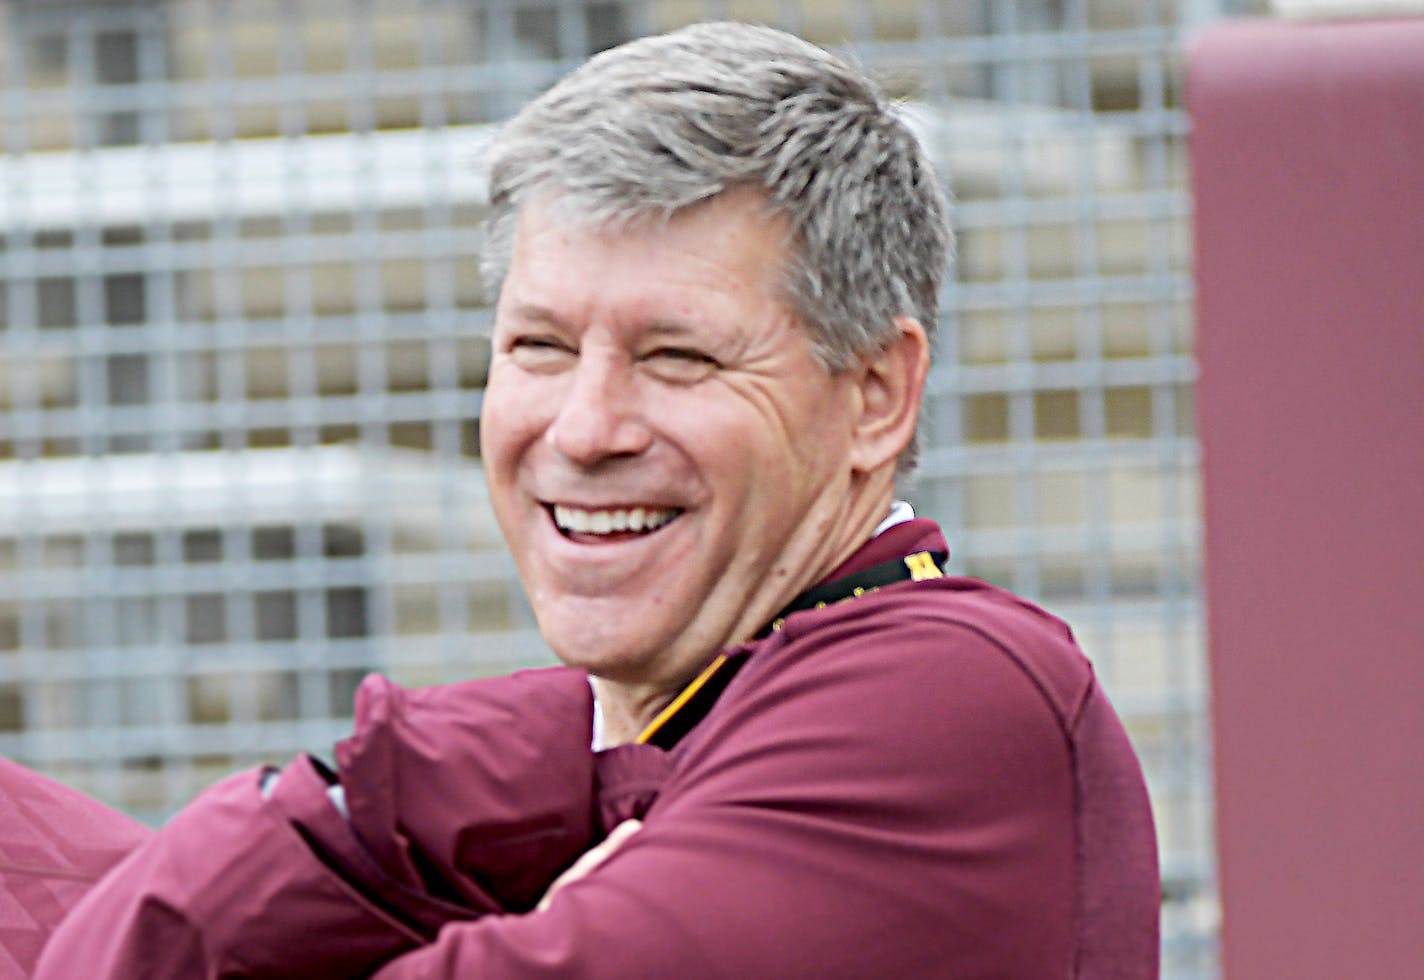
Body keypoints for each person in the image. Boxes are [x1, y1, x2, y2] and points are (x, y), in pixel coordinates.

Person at [29, 21, 1158, 978]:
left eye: (675, 355)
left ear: (874, 395)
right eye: (539, 345)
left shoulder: (946, 694)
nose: (582, 427)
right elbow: (217, 874)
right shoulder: (597, 726)